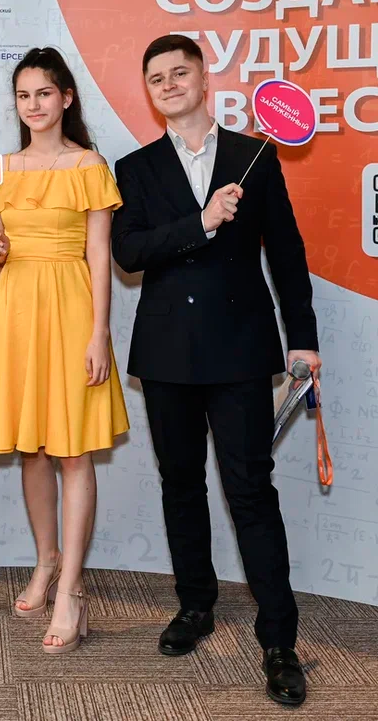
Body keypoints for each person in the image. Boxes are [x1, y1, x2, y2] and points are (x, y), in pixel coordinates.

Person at [110, 34, 320, 706]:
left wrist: (304, 340)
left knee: (250, 490)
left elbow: (286, 252)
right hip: (166, 352)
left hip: (239, 349)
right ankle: (195, 604)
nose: (170, 84)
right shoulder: (134, 166)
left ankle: (279, 639)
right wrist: (199, 222)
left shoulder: (253, 155)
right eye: (157, 77)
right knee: (180, 485)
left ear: (204, 79)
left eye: (180, 72)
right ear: (149, 91)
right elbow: (128, 253)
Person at [0, 47, 129, 654]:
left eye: (44, 93)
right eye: (23, 95)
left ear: (66, 97)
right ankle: (46, 561)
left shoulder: (89, 164)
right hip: (16, 312)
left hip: (71, 310)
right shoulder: (0, 169)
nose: (33, 105)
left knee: (73, 451)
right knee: (32, 449)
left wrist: (99, 334)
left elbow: (99, 255)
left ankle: (71, 591)